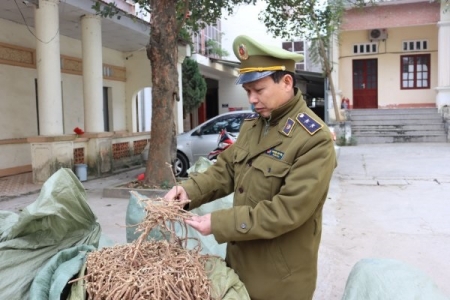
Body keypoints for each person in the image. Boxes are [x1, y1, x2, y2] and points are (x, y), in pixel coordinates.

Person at [164, 34, 337, 300]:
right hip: (241, 264)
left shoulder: (314, 139)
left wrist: (220, 222)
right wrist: (188, 191)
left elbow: (288, 210)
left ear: (287, 82)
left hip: (279, 280)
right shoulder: (254, 125)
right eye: (248, 92)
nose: (252, 99)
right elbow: (226, 170)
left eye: (259, 90)